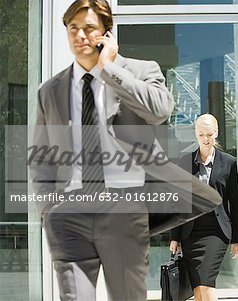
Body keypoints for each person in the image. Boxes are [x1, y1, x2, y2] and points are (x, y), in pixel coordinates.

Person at [29, 0, 173, 300]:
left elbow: (160, 110)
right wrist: (48, 209)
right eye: (73, 29)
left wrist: (109, 69)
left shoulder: (140, 70)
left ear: (106, 34)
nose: (80, 35)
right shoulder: (50, 91)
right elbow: (41, 156)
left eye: (89, 28)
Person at [169, 114, 238, 301]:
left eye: (209, 134)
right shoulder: (184, 162)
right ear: (196, 134)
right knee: (197, 287)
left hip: (216, 232)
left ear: (216, 133)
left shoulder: (229, 162)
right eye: (201, 134)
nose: (205, 138)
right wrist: (174, 237)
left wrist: (237, 239)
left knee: (206, 283)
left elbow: (235, 202)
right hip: (190, 233)